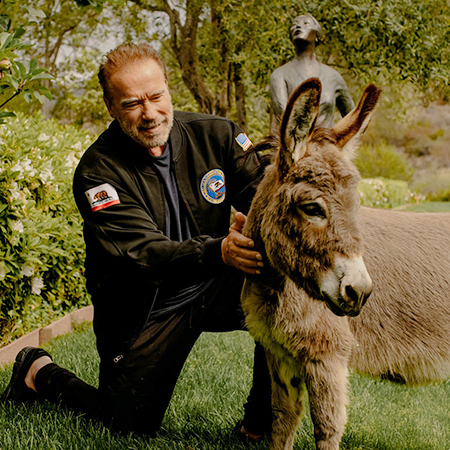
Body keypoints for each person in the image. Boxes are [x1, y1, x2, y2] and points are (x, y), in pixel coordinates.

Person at [1, 43, 272, 442]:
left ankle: (258, 425)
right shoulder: (98, 172)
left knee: (283, 289)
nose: (149, 113)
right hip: (148, 306)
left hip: (214, 282)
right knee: (126, 424)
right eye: (132, 103)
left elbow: (266, 198)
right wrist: (221, 250)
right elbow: (144, 253)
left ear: (168, 89)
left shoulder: (218, 135)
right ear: (111, 107)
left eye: (156, 97)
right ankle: (38, 370)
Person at [270, 14, 354, 129]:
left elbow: (354, 119)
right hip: (295, 146)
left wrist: (338, 140)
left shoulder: (333, 77)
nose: (299, 26)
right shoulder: (279, 75)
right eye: (295, 25)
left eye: (306, 23)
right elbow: (284, 118)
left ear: (317, 36)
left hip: (326, 145)